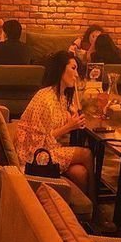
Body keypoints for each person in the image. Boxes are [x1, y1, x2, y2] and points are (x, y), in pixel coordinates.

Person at [13, 51, 92, 194]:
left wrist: (71, 116)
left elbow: (56, 122)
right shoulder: (45, 99)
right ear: (60, 69)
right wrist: (69, 126)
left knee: (80, 172)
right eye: (73, 68)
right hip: (34, 154)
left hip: (49, 148)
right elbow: (39, 140)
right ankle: (96, 203)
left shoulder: (61, 96)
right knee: (86, 154)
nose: (76, 75)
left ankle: (87, 203)